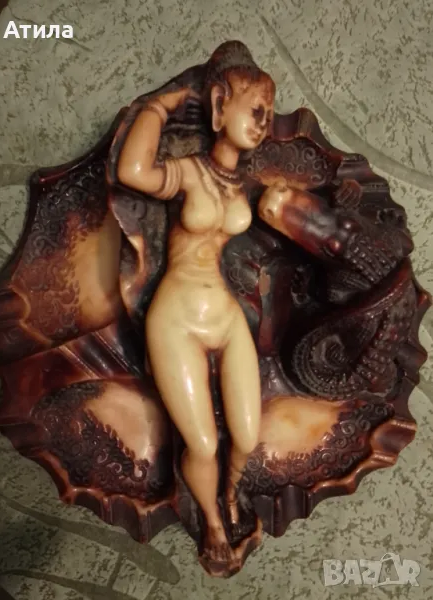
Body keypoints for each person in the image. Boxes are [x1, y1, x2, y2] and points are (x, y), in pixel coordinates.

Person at [117, 41, 281, 562]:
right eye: (255, 110)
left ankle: (231, 494)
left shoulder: (242, 185)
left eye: (269, 114)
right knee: (205, 444)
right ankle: (211, 520)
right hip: (177, 319)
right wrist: (157, 108)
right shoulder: (189, 172)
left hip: (225, 315)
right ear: (219, 106)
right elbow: (132, 173)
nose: (263, 124)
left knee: (248, 437)